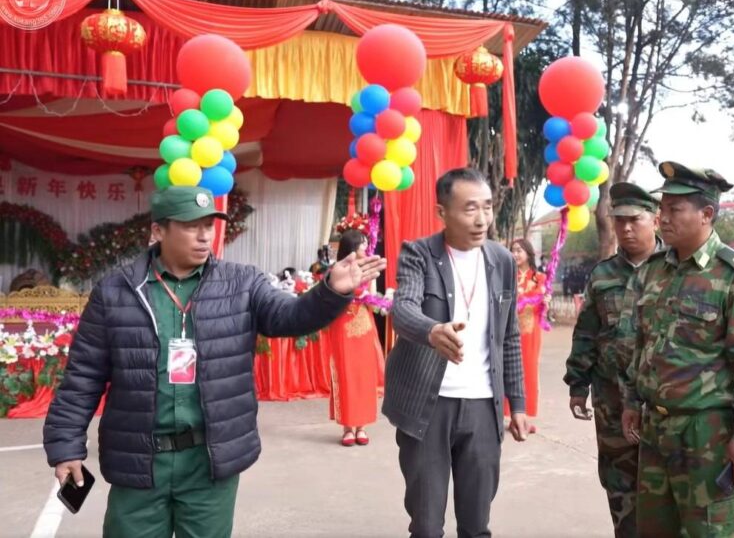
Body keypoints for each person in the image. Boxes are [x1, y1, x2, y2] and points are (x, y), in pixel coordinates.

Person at [43, 186, 385, 537]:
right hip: (139, 462)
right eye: (192, 225)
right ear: (158, 231)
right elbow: (84, 374)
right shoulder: (116, 292)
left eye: (209, 224)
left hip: (209, 463)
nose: (205, 235)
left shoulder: (242, 284)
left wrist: (331, 290)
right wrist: (66, 445)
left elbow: (290, 317)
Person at [620, 162, 734, 537]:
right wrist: (631, 401)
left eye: (675, 209)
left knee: (712, 531)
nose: (663, 217)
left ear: (706, 214)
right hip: (655, 433)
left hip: (708, 436)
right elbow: (638, 345)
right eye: (662, 208)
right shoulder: (653, 271)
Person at [384, 168, 530, 538]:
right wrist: (431, 331)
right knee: (427, 524)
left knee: (477, 523)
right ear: (441, 212)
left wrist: (520, 405)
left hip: (483, 406)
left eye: (487, 207)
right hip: (428, 408)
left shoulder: (502, 261)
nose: (481, 219)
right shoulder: (418, 254)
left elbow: (509, 337)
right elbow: (402, 310)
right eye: (469, 209)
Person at [564, 182, 663, 537]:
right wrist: (577, 383)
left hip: (661, 404)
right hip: (610, 400)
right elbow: (586, 332)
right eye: (618, 221)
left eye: (634, 219)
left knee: (666, 488)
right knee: (620, 485)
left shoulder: (675, 270)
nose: (625, 228)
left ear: (656, 219)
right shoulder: (603, 274)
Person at [324, 229, 386, 447]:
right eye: (362, 242)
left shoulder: (369, 268)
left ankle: (362, 426)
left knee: (364, 374)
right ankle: (348, 427)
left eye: (366, 242)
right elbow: (331, 297)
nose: (365, 246)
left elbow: (371, 298)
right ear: (351, 246)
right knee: (346, 372)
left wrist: (377, 300)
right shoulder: (338, 269)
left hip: (364, 325)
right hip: (342, 325)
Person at [508, 238, 547, 421]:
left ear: (528, 253)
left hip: (530, 331)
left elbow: (542, 308)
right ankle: (508, 413)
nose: (515, 254)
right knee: (510, 368)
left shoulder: (539, 278)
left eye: (519, 250)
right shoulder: (508, 278)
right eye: (513, 250)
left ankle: (528, 414)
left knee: (529, 369)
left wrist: (546, 303)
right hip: (510, 331)